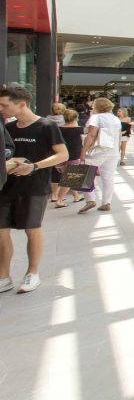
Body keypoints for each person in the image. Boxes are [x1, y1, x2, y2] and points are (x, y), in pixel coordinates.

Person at [0, 86, 68, 294]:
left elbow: (62, 154)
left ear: (21, 104)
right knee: (2, 232)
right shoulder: (8, 128)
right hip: (6, 186)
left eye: (4, 105)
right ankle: (4, 276)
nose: (1, 109)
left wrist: (35, 166)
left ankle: (32, 273)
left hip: (34, 186)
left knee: (32, 229)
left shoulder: (46, 126)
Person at [78, 97, 122, 214]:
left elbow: (91, 135)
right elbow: (119, 136)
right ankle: (106, 202)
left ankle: (90, 200)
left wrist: (83, 151)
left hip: (97, 151)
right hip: (112, 152)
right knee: (108, 178)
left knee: (85, 174)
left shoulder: (96, 118)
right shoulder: (116, 119)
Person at [51, 110, 84, 208]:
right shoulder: (79, 129)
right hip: (74, 156)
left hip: (61, 155)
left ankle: (76, 196)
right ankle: (59, 200)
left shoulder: (59, 129)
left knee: (66, 176)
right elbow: (82, 142)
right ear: (76, 118)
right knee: (71, 178)